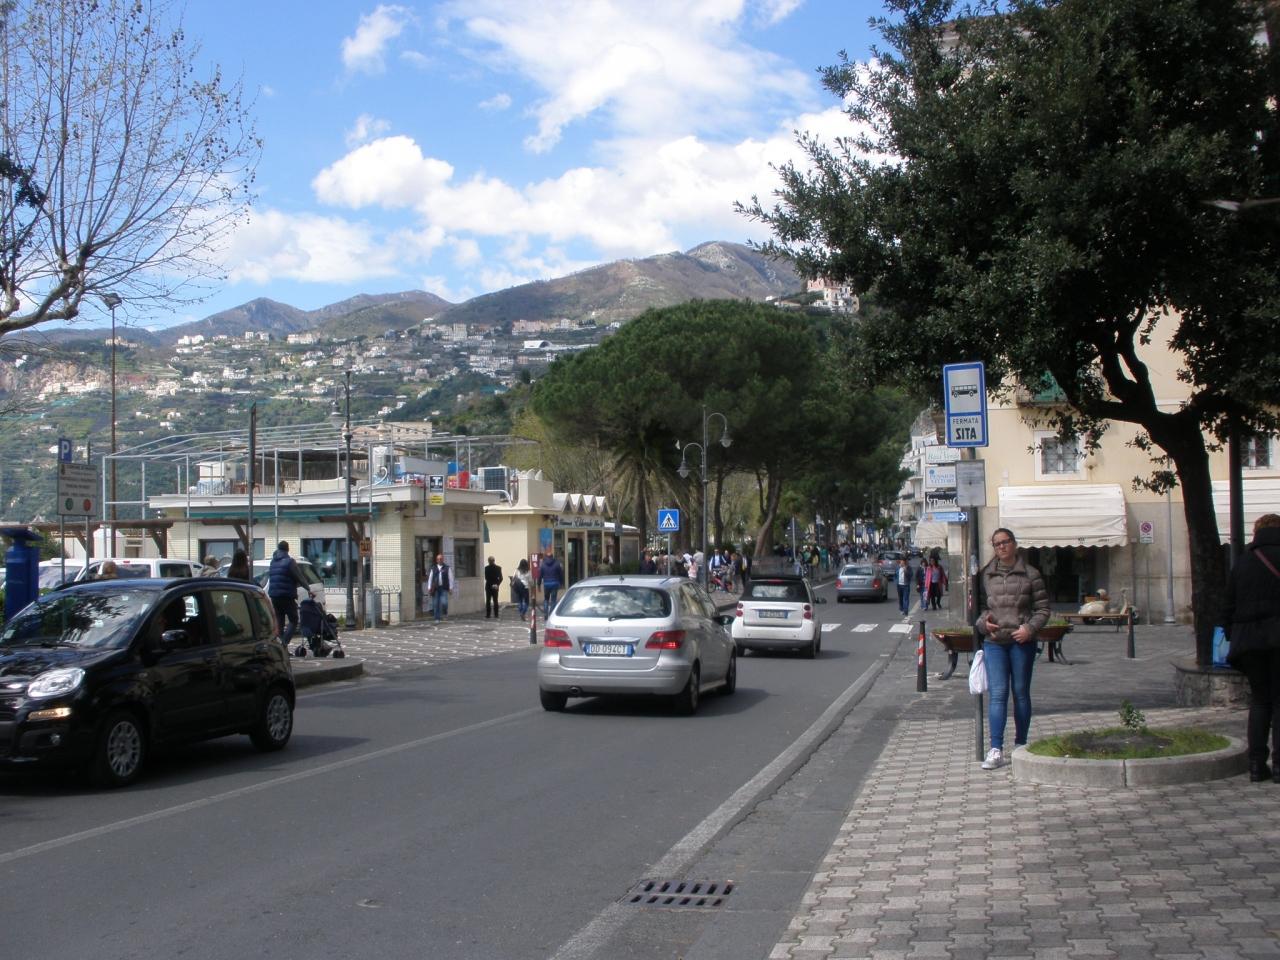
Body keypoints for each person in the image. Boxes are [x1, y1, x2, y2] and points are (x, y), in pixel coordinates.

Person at [977, 528, 1050, 771]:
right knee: (998, 694)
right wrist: (983, 623)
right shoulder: (986, 574)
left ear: (1014, 544)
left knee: (1020, 693)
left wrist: (1030, 628)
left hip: (1021, 643)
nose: (1001, 547)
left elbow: (1043, 609)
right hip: (995, 642)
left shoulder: (1031, 574)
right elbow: (978, 609)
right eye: (997, 543)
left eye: (1005, 542)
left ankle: (1020, 745)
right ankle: (996, 748)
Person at [1223, 513, 1280, 782]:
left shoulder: (1243, 563)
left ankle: (1256, 764)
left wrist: (1232, 634)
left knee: (1259, 701)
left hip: (1248, 643)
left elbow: (1228, 605)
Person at [268, 541, 307, 643]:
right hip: (286, 596)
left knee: (280, 621)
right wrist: (308, 589)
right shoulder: (290, 562)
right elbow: (299, 577)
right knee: (294, 620)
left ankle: (280, 646)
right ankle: (284, 643)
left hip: (274, 596)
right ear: (287, 549)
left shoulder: (273, 562)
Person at [425, 553, 452, 623]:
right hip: (435, 588)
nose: (440, 560)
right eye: (438, 559)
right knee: (436, 604)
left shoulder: (447, 568)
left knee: (444, 603)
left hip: (444, 588)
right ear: (436, 560)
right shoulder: (433, 568)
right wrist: (429, 587)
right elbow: (430, 579)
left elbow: (450, 579)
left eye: (441, 559)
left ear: (443, 559)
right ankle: (437, 618)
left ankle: (445, 613)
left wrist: (450, 588)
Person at [540, 549, 564, 616]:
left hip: (546, 584)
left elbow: (540, 575)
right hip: (555, 583)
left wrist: (538, 584)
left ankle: (545, 612)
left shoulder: (543, 564)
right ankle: (551, 613)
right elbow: (560, 574)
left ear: (546, 557)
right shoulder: (557, 564)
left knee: (546, 599)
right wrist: (562, 582)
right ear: (552, 556)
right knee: (553, 600)